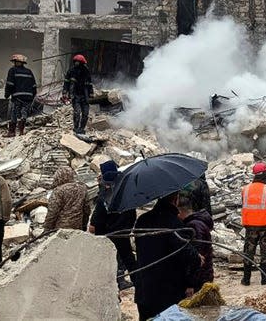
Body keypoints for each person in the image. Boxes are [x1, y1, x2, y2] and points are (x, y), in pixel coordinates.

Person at [135, 192, 202, 320]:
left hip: (144, 289)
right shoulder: (173, 222)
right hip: (167, 292)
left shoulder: (142, 220)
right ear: (175, 200)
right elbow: (186, 252)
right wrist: (197, 257)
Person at [88, 160, 137, 290]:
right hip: (124, 231)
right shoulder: (126, 191)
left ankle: (114, 282)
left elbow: (96, 222)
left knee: (110, 259)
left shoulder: (104, 197)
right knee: (127, 258)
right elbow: (132, 213)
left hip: (108, 234)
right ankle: (137, 280)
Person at [241, 162, 266, 286]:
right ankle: (264, 278)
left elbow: (245, 205)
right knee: (265, 251)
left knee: (248, 251)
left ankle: (246, 279)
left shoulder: (245, 189)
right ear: (265, 174)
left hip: (250, 226)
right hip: (265, 226)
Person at [177, 190, 214, 292]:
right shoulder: (198, 222)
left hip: (200, 280)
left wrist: (191, 284)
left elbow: (196, 258)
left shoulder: (193, 227)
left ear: (180, 211)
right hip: (204, 276)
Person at [4, 54, 37, 137]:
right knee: (24, 113)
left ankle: (12, 132)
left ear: (15, 62)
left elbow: (10, 84)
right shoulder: (29, 71)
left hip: (17, 97)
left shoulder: (12, 70)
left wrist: (7, 94)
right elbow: (34, 86)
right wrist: (32, 96)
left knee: (14, 113)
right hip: (28, 97)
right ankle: (21, 131)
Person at [62, 54, 93, 135]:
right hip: (75, 95)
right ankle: (76, 128)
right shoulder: (71, 71)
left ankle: (82, 128)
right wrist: (65, 92)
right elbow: (66, 83)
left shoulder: (86, 71)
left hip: (84, 95)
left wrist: (91, 93)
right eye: (76, 62)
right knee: (77, 113)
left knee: (85, 114)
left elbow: (89, 83)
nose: (77, 64)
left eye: (78, 62)